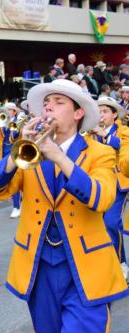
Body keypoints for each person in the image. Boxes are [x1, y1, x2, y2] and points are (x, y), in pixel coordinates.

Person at [0, 80, 128, 332]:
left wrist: (59, 157)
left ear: (78, 112)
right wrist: (15, 154)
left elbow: (102, 198)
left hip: (86, 267)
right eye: (46, 103)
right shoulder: (29, 151)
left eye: (59, 102)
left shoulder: (100, 153)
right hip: (39, 266)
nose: (49, 107)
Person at [90, 96, 129, 279]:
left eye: (105, 111)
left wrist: (105, 135)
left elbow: (123, 148)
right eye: (98, 111)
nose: (101, 115)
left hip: (118, 183)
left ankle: (121, 263)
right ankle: (105, 263)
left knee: (111, 223)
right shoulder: (90, 132)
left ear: (114, 115)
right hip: (97, 183)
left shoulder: (124, 132)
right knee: (99, 227)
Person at [0, 102, 22, 218]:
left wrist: (15, 126)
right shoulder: (1, 122)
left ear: (13, 111)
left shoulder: (19, 121)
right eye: (5, 109)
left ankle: (17, 207)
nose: (6, 111)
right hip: (2, 155)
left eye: (8, 109)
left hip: (16, 153)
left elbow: (14, 137)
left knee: (14, 180)